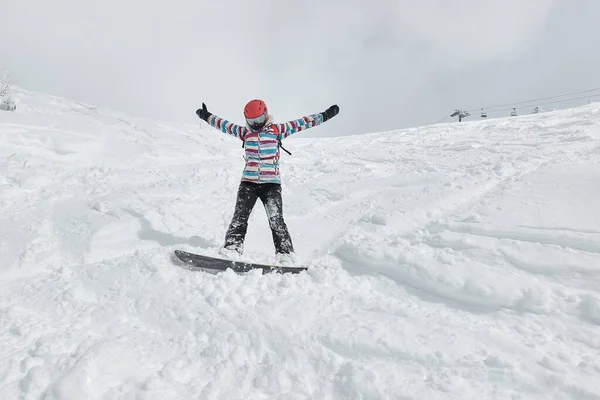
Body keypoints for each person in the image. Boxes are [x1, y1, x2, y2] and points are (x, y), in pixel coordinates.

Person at [195, 99, 339, 264]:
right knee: (239, 217)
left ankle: (285, 255)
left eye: (258, 120)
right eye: (251, 121)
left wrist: (326, 115)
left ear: (265, 115)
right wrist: (206, 116)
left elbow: (304, 122)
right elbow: (224, 125)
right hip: (248, 183)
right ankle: (232, 248)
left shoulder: (277, 130)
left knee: (276, 219)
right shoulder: (244, 133)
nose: (256, 124)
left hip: (271, 185)